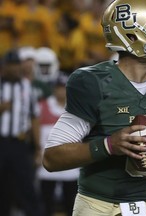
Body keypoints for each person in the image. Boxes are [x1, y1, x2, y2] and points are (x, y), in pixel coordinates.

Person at [42, 0, 146, 215]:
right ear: (131, 36)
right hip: (99, 205)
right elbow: (51, 158)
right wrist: (108, 145)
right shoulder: (93, 82)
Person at [0, 48, 41, 216]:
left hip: (20, 144)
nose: (15, 68)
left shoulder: (27, 87)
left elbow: (34, 118)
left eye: (17, 64)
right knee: (2, 188)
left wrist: (38, 147)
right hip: (1, 143)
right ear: (4, 67)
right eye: (11, 65)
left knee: (26, 187)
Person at [37, 73, 79, 216]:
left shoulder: (76, 107)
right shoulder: (42, 106)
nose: (61, 91)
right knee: (46, 203)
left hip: (71, 165)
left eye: (64, 88)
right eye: (58, 87)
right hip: (46, 163)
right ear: (53, 89)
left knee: (71, 204)